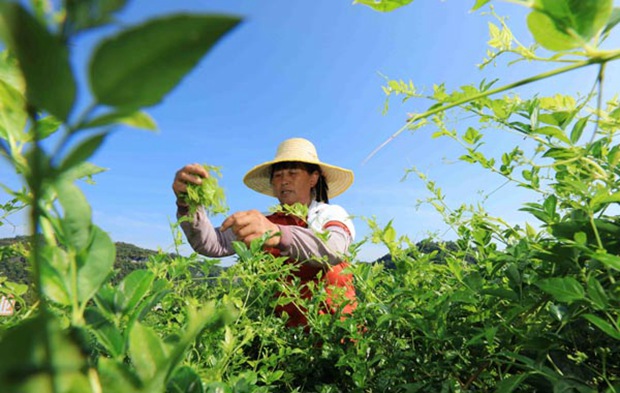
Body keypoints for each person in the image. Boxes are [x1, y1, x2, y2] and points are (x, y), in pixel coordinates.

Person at [172, 137, 357, 327]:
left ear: (313, 178)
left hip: (337, 335)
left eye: (293, 173)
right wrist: (188, 204)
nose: (284, 180)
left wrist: (276, 233)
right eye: (278, 176)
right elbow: (213, 244)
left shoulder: (330, 214)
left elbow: (334, 248)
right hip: (285, 339)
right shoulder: (263, 221)